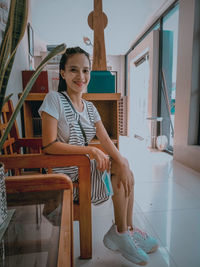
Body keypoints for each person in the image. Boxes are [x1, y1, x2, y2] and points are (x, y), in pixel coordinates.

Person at [39, 47, 158, 265]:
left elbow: (104, 140)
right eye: (73, 70)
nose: (80, 76)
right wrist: (90, 150)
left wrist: (120, 160)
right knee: (119, 167)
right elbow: (49, 145)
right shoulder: (54, 99)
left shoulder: (90, 108)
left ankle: (126, 230)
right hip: (65, 175)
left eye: (85, 70)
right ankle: (121, 234)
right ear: (63, 73)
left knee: (124, 165)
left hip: (84, 169)